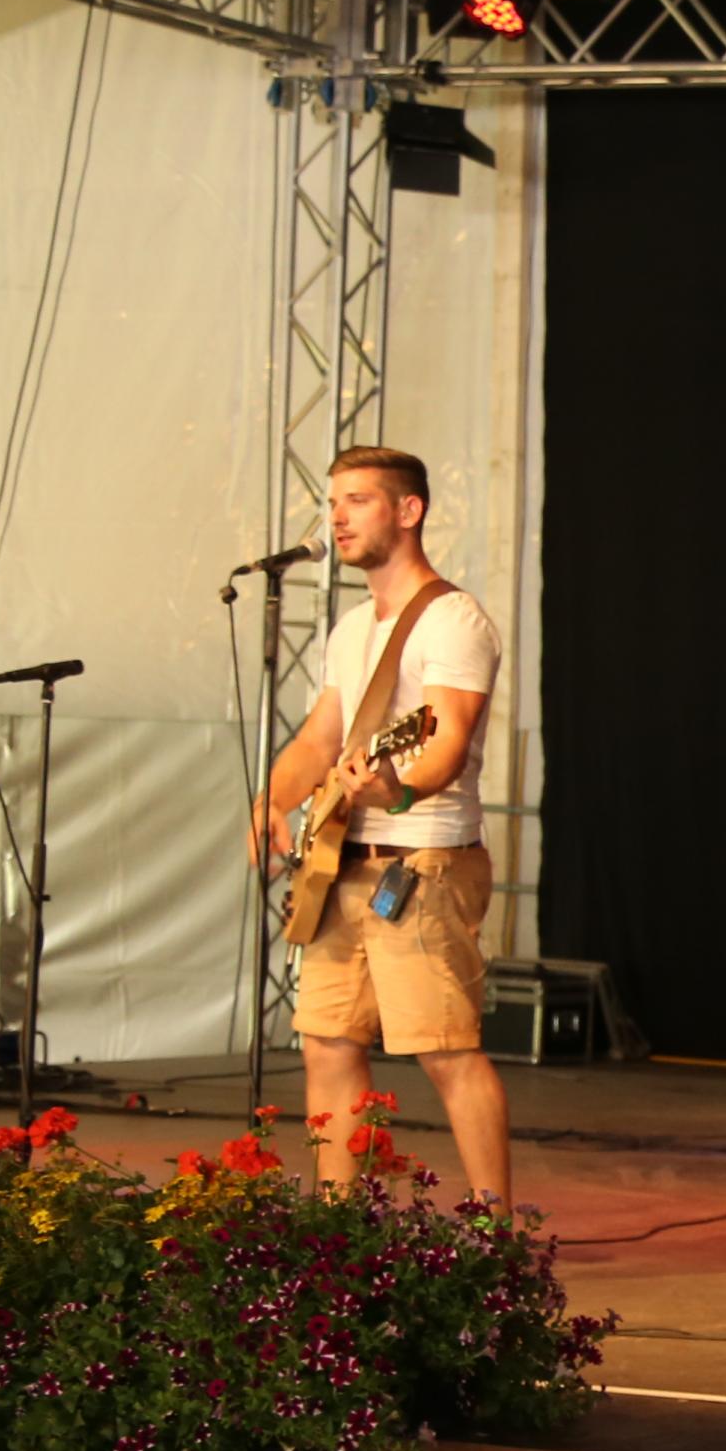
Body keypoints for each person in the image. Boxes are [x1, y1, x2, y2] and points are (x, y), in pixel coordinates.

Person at [243, 444, 510, 1206]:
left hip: (421, 866)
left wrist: (399, 786)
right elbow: (318, 742)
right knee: (327, 1043)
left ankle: (498, 1230)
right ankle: (338, 1223)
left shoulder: (453, 620)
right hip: (341, 864)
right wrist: (271, 803)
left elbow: (447, 738)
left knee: (446, 1050)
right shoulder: (353, 627)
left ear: (408, 510)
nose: (337, 517)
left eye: (357, 500)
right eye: (333, 503)